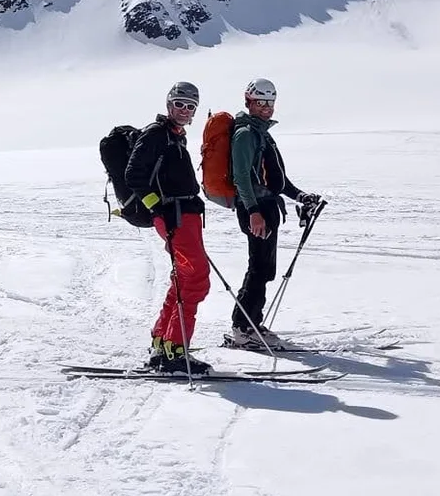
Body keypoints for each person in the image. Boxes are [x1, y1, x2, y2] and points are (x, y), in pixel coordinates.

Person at [123, 81, 215, 374]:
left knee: (183, 279)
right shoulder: (156, 134)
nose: (185, 110)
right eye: (180, 104)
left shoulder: (175, 137)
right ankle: (175, 352)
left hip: (185, 216)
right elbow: (133, 174)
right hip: (174, 216)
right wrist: (156, 207)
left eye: (190, 107)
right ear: (168, 104)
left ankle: (163, 344)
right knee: (196, 277)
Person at [224, 78, 322, 349]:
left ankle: (252, 323)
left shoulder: (262, 133)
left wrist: (300, 196)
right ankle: (242, 328)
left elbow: (277, 180)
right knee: (258, 267)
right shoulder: (245, 133)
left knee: (265, 269)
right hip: (255, 208)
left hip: (266, 206)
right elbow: (241, 177)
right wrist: (253, 211)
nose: (266, 107)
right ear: (249, 102)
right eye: (261, 102)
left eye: (270, 102)